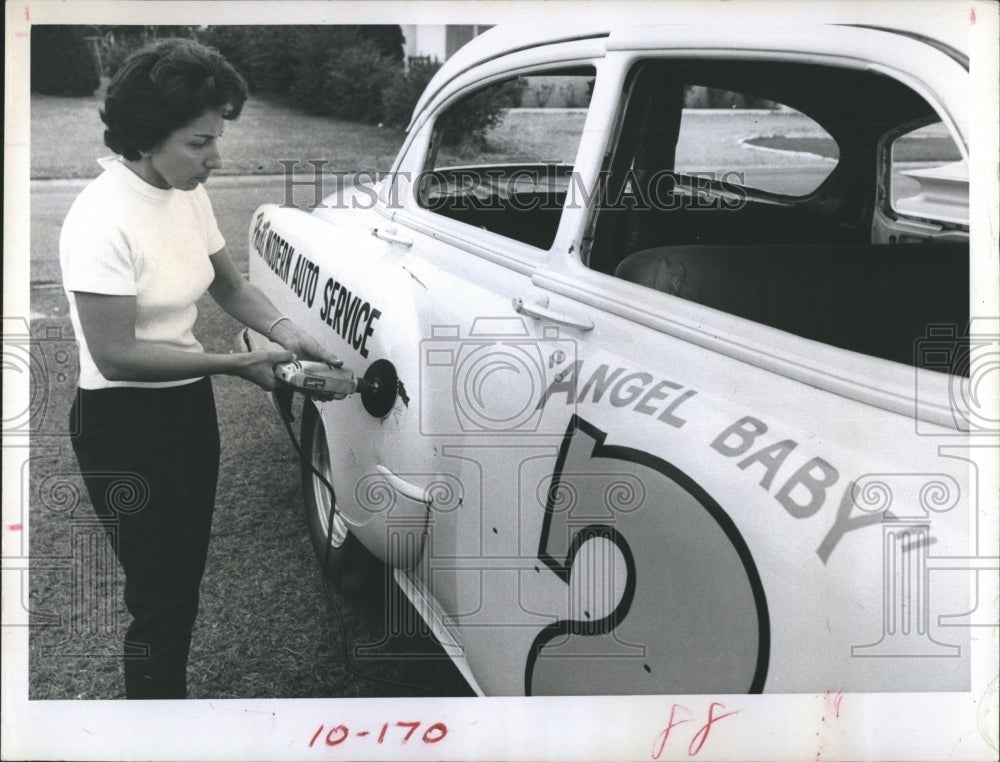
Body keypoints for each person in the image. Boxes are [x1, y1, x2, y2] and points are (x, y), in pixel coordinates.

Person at [59, 37, 339, 699]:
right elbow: (115, 353)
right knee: (160, 597)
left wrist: (290, 334)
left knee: (180, 580)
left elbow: (231, 288)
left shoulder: (184, 192)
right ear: (146, 136)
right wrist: (237, 365)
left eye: (217, 138)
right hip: (121, 424)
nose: (215, 159)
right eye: (197, 143)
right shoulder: (99, 219)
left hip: (185, 411)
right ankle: (155, 725)